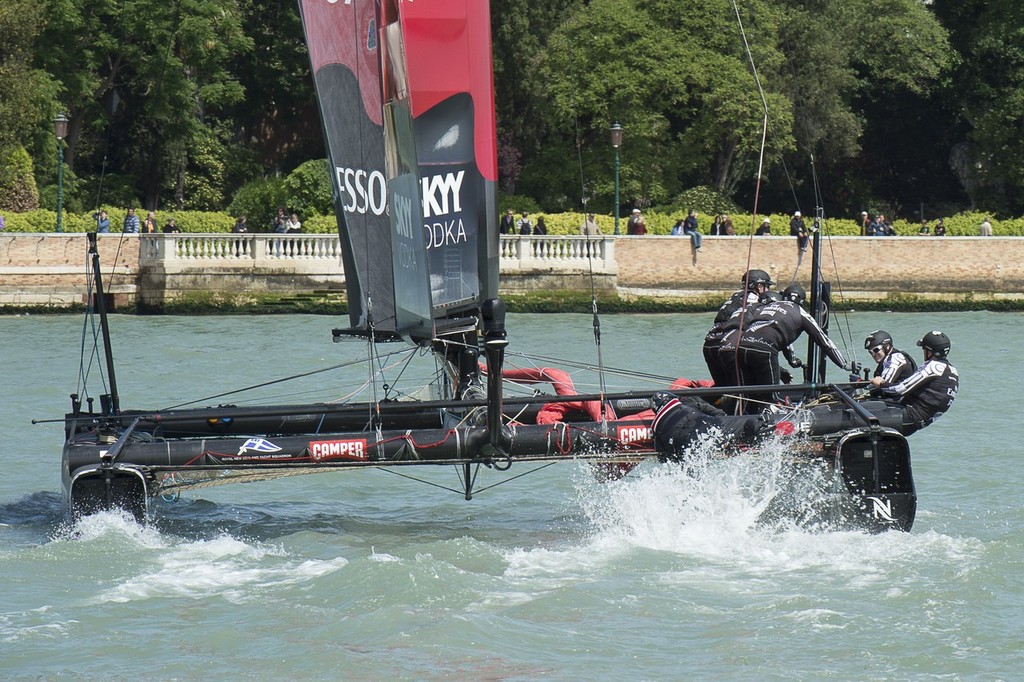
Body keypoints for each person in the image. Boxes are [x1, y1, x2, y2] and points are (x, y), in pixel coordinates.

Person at [733, 283, 850, 412]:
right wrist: (844, 364)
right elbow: (824, 341)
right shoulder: (800, 312)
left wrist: (791, 360)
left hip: (741, 347)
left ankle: (741, 420)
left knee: (748, 394)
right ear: (802, 301)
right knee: (770, 396)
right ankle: (768, 424)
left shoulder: (767, 307)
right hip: (764, 350)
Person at [869, 331, 958, 435]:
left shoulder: (934, 366)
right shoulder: (952, 371)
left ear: (929, 352)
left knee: (853, 416)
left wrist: (881, 384)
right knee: (867, 407)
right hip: (918, 420)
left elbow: (901, 389)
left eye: (924, 349)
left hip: (908, 416)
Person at [703, 269, 775, 391]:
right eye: (767, 286)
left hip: (709, 344)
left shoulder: (736, 296)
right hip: (726, 345)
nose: (767, 290)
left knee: (724, 389)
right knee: (742, 389)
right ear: (759, 286)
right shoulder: (753, 297)